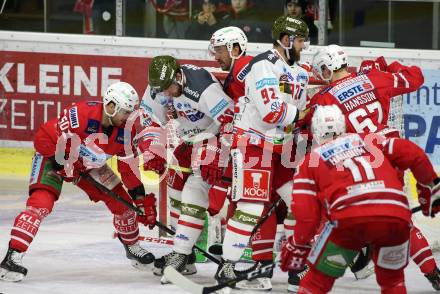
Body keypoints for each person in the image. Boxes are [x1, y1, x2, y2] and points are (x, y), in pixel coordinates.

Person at [307, 45, 440, 290]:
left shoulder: (325, 98)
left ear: (327, 66)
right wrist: (389, 66)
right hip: (390, 153)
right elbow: (416, 77)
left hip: (362, 162)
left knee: (340, 217)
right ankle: (433, 273)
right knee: (400, 221)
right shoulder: (374, 78)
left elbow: (310, 128)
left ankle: (344, 264)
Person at [0, 82, 157, 282]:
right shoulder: (79, 115)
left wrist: (141, 200)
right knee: (40, 205)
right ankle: (12, 256)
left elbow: (128, 169)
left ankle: (132, 247)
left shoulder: (126, 132)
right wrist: (63, 165)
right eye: (125, 112)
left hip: (87, 164)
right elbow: (43, 137)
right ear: (110, 106)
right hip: (52, 157)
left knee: (125, 207)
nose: (128, 117)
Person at [280, 105, 440, 293]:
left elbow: (307, 216)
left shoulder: (310, 161)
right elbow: (413, 153)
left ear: (315, 130)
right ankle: (432, 272)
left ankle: (357, 261)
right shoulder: (368, 140)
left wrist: (297, 243)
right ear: (344, 126)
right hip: (394, 216)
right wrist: (430, 186)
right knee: (393, 282)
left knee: (315, 282)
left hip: (348, 223)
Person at [212, 15, 310, 291]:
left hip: (282, 150)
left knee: (302, 204)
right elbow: (272, 112)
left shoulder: (299, 70)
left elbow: (297, 113)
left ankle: (296, 269)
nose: (304, 45)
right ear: (287, 40)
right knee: (252, 207)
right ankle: (228, 268)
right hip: (253, 145)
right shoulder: (263, 66)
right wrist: (304, 115)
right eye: (300, 40)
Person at [139, 55, 234, 281]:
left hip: (214, 136)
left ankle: (180, 253)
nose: (167, 93)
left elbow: (231, 118)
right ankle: (186, 255)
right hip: (187, 140)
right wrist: (153, 149)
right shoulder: (158, 88)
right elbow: (149, 121)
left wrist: (219, 153)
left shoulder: (202, 86)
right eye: (162, 89)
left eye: (169, 87)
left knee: (195, 189)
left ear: (179, 76)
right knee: (174, 187)